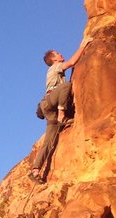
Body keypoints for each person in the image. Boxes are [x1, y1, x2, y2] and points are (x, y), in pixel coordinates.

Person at [29, 37, 91, 183]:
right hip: (51, 102)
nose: (60, 54)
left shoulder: (55, 69)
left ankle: (35, 170)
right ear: (54, 59)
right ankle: (62, 113)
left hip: (50, 109)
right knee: (66, 86)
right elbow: (71, 63)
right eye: (57, 53)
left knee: (49, 142)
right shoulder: (55, 67)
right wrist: (83, 46)